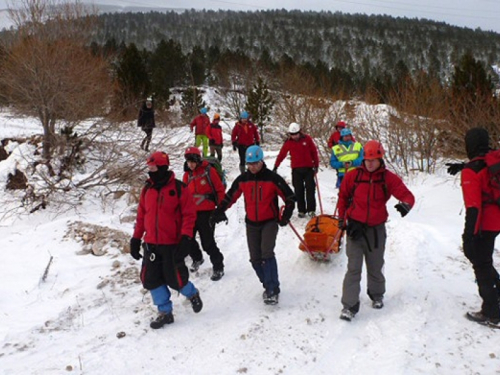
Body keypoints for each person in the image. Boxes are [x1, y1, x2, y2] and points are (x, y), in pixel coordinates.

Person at [337, 140, 415, 321]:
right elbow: (343, 197)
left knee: (375, 265)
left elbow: (407, 195)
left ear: (380, 159)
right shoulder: (353, 176)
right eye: (366, 160)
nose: (369, 163)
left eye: (373, 160)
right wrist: (342, 219)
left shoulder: (387, 178)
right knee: (353, 268)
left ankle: (377, 294)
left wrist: (406, 205)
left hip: (376, 230)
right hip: (355, 229)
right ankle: (349, 306)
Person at [210, 145, 296, 305]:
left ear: (261, 161)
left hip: (269, 222)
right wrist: (219, 210)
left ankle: (272, 289)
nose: (252, 167)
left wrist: (285, 215)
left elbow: (290, 197)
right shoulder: (243, 179)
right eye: (249, 164)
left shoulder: (272, 178)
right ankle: (267, 284)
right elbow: (231, 196)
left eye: (255, 163)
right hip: (251, 224)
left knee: (267, 254)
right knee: (255, 259)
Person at [129, 151, 203, 329]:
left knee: (175, 279)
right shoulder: (147, 189)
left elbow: (189, 215)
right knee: (151, 279)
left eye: (153, 167)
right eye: (149, 167)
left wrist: (186, 237)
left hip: (172, 244)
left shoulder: (178, 188)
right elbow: (141, 216)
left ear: (162, 167)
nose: (150, 171)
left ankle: (192, 293)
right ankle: (165, 312)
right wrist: (136, 238)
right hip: (151, 244)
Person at [460, 127, 500, 327]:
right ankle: (497, 297)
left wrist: (469, 236)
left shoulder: (471, 170)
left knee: (481, 264)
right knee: (484, 261)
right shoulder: (493, 161)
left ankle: (491, 312)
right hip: (497, 221)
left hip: (485, 223)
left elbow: (474, 208)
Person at [183, 146, 226, 281]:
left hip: (207, 213)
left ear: (198, 160)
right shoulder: (187, 174)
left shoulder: (209, 171)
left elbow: (219, 190)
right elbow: (183, 195)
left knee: (208, 243)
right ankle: (197, 258)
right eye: (188, 161)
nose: (190, 164)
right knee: (187, 239)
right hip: (191, 213)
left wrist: (220, 209)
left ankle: (218, 266)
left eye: (192, 161)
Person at [273, 122, 319, 218]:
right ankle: (301, 210)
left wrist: (316, 165)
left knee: (310, 189)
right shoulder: (288, 142)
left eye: (296, 134)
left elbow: (314, 152)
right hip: (296, 170)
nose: (294, 136)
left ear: (300, 132)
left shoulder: (307, 139)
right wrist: (276, 166)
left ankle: (311, 210)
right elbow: (282, 154)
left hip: (308, 169)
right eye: (292, 134)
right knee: (298, 190)